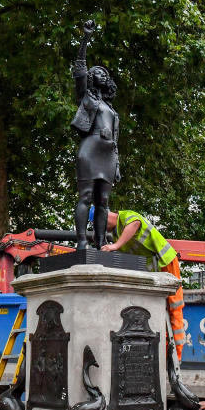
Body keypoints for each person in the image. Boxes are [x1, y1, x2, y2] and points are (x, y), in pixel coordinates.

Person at [99, 209, 185, 358]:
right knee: (159, 312)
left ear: (104, 217)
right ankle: (165, 356)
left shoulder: (126, 216)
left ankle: (176, 358)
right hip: (155, 270)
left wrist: (115, 246)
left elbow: (135, 223)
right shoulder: (116, 233)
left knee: (174, 308)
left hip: (166, 261)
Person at [72, 19, 120, 250]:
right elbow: (79, 68)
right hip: (91, 149)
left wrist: (117, 164)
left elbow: (116, 142)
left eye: (104, 72)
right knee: (86, 196)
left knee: (103, 202)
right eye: (97, 72)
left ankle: (100, 242)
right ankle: (82, 241)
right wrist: (86, 38)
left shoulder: (111, 109)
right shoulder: (86, 96)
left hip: (108, 153)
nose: (102, 74)